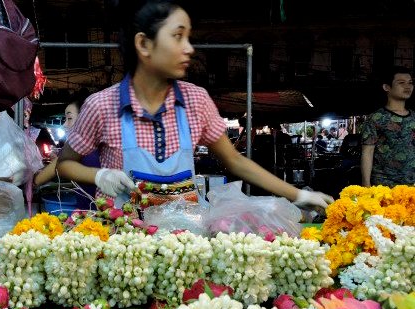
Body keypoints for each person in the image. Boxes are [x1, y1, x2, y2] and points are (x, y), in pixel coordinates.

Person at [56, 0, 333, 210]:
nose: (189, 48)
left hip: (185, 243)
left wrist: (299, 195)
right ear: (144, 44)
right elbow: (65, 164)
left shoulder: (196, 101)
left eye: (189, 37)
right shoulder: (102, 105)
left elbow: (235, 160)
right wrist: (100, 174)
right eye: (178, 36)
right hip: (124, 248)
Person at [361, 66, 415, 187]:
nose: (408, 86)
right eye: (401, 82)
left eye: (410, 83)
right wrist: (366, 184)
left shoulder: (414, 117)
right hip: (384, 186)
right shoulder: (376, 118)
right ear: (387, 87)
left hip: (412, 186)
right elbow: (367, 152)